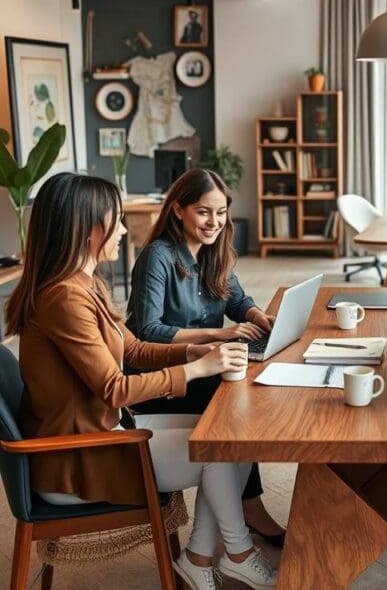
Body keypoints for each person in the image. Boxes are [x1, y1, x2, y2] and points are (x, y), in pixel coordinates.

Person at [5, 173, 278, 589]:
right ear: (85, 227)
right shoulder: (63, 298)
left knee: (229, 433)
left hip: (106, 432)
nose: (121, 230)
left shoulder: (84, 283)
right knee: (219, 448)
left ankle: (201, 557)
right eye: (114, 221)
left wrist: (196, 353)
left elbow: (133, 349)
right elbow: (114, 387)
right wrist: (195, 370)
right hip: (80, 460)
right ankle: (236, 551)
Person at [126, 168, 285, 545]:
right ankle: (249, 510)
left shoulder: (216, 249)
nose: (214, 222)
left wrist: (257, 317)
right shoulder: (158, 257)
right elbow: (148, 331)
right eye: (203, 212)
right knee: (238, 401)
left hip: (205, 361)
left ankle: (238, 508)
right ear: (178, 209)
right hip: (166, 376)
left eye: (220, 212)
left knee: (247, 383)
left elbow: (237, 299)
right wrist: (220, 333)